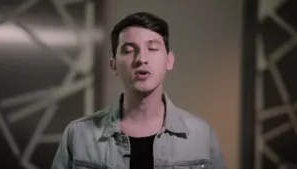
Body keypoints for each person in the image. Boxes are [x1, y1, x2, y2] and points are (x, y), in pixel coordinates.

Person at [51, 12, 227, 169]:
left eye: (152, 48)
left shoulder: (201, 135)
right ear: (113, 66)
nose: (141, 59)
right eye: (128, 50)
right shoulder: (78, 135)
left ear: (169, 61)